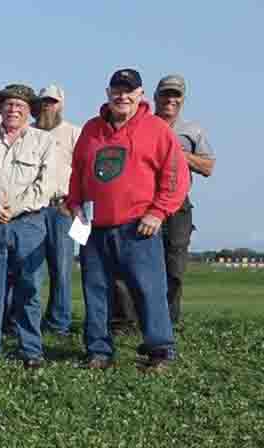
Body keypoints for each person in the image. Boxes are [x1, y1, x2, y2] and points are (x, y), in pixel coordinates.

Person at [66, 68, 189, 372]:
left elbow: (175, 174)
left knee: (149, 290)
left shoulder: (156, 129)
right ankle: (98, 351)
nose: (122, 95)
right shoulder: (91, 130)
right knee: (96, 291)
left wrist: (158, 211)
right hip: (94, 227)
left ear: (140, 95)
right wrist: (75, 204)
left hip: (138, 227)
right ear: (108, 93)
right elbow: (79, 172)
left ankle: (159, 351)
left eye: (129, 90)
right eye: (117, 89)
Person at [0, 85, 57, 369]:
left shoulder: (44, 141)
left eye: (20, 106)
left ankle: (31, 350)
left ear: (29, 110)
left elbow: (47, 185)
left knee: (29, 289)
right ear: (0, 108)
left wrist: (15, 208)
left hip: (30, 224)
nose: (14, 110)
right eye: (9, 105)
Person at [154, 74, 215, 328]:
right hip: (143, 203)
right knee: (139, 266)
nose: (170, 99)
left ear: (182, 99)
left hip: (178, 205)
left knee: (174, 268)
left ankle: (168, 322)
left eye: (176, 95)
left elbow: (208, 166)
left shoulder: (193, 130)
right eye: (166, 94)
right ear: (155, 97)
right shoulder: (143, 124)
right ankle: (131, 323)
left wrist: (180, 154)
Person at [33, 84, 82, 336]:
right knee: (32, 270)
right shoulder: (28, 132)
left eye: (51, 102)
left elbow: (84, 172)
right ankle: (28, 320)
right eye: (43, 102)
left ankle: (58, 324)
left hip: (63, 207)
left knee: (61, 268)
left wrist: (75, 204)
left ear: (61, 104)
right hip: (33, 209)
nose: (47, 106)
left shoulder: (74, 133)